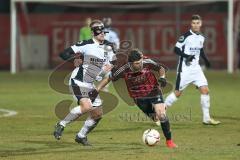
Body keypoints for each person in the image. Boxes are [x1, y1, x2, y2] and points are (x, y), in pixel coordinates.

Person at [89, 49, 177, 148]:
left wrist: (163, 77)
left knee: (161, 115)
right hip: (138, 97)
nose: (139, 65)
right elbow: (108, 78)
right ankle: (158, 114)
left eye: (140, 62)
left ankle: (169, 141)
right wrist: (97, 90)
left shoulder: (146, 62)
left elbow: (160, 68)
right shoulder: (123, 69)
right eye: (136, 63)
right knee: (155, 117)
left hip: (154, 91)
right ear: (130, 63)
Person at [53, 19, 115, 146]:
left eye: (103, 30)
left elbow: (112, 63)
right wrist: (74, 61)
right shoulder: (86, 44)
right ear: (92, 33)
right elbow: (64, 53)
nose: (102, 33)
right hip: (78, 81)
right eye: (98, 31)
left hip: (90, 84)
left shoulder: (109, 46)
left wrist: (110, 67)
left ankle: (81, 136)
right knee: (87, 107)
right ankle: (61, 124)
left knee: (97, 114)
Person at [164, 15, 220, 125]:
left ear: (201, 24)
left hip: (196, 69)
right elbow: (176, 49)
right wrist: (186, 56)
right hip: (185, 70)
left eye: (197, 23)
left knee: (205, 90)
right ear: (191, 24)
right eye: (193, 23)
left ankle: (206, 118)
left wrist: (206, 60)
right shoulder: (185, 36)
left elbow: (201, 50)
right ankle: (160, 113)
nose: (195, 25)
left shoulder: (201, 37)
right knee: (177, 93)